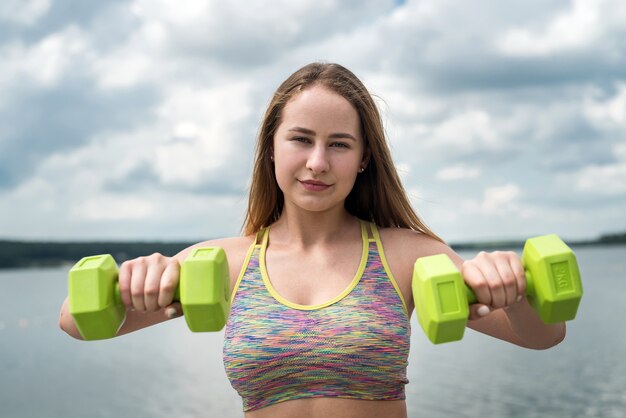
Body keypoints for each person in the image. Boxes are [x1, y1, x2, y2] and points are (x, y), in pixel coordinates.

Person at [59, 62, 566, 418]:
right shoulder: (223, 264)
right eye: (301, 139)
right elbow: (75, 324)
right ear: (271, 148)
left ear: (364, 158)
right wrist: (134, 280)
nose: (318, 162)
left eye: (339, 145)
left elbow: (543, 336)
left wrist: (514, 289)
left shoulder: (408, 255)